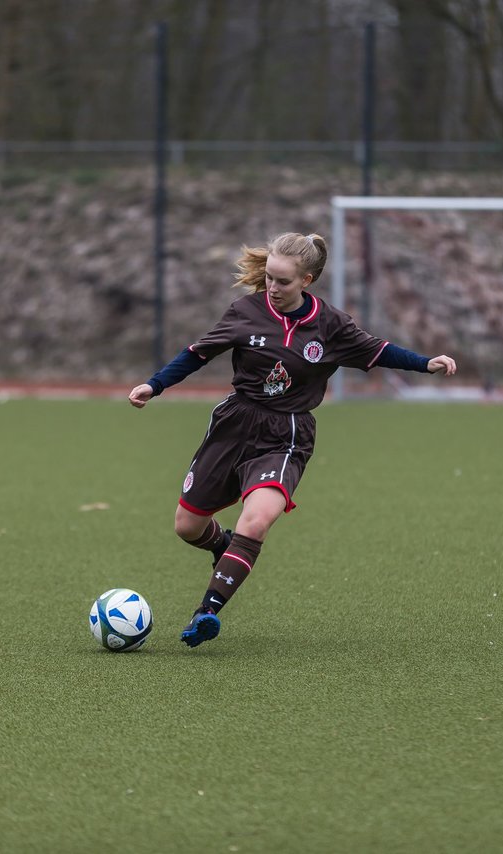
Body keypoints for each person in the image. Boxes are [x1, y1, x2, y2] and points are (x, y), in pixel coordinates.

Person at [128, 232, 457, 647]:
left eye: (283, 281)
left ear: (307, 279)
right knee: (188, 526)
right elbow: (198, 354)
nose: (273, 288)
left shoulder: (330, 325)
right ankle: (227, 547)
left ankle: (207, 611)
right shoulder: (245, 311)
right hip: (234, 424)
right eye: (269, 278)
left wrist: (426, 363)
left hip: (287, 432)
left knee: (259, 518)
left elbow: (377, 350)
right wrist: (154, 386)